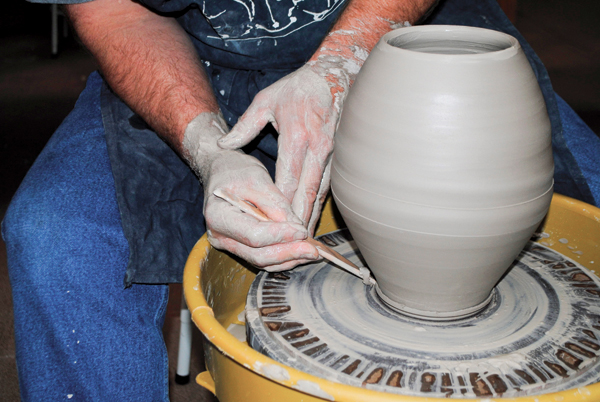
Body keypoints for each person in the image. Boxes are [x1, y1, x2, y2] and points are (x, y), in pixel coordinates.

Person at [3, 0, 599, 400]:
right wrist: (208, 147)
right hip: (189, 55)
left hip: (400, 33)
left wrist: (341, 64)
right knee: (57, 237)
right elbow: (113, 12)